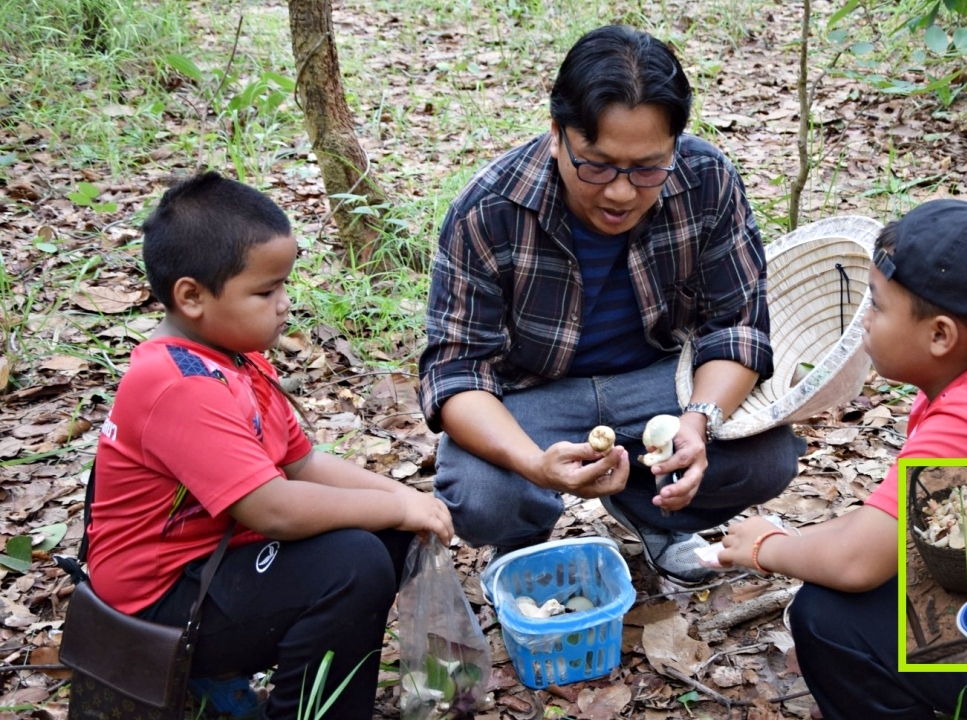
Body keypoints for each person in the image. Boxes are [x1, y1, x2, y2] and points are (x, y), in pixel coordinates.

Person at [419, 24, 805, 586]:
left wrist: (698, 422)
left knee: (766, 457)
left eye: (648, 167)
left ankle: (655, 514)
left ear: (676, 144)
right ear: (557, 134)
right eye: (595, 165)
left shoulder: (706, 180)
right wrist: (535, 466)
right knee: (482, 496)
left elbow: (738, 327)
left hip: (659, 383)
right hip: (536, 397)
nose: (621, 192)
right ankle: (521, 540)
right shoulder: (491, 209)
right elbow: (456, 371)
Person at [717, 200, 967, 720]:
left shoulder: (964, 423)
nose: (864, 319)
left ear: (940, 334)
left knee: (829, 617)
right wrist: (800, 541)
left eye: (877, 306)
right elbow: (886, 528)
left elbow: (855, 563)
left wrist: (766, 547)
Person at [88, 172, 453, 720]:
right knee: (352, 564)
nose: (284, 304)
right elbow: (273, 508)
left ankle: (283, 688)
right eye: (265, 291)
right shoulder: (178, 385)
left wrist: (411, 503)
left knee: (390, 534)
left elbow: (301, 462)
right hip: (157, 607)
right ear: (191, 296)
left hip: (210, 562)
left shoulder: (236, 359)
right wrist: (400, 504)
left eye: (283, 285)